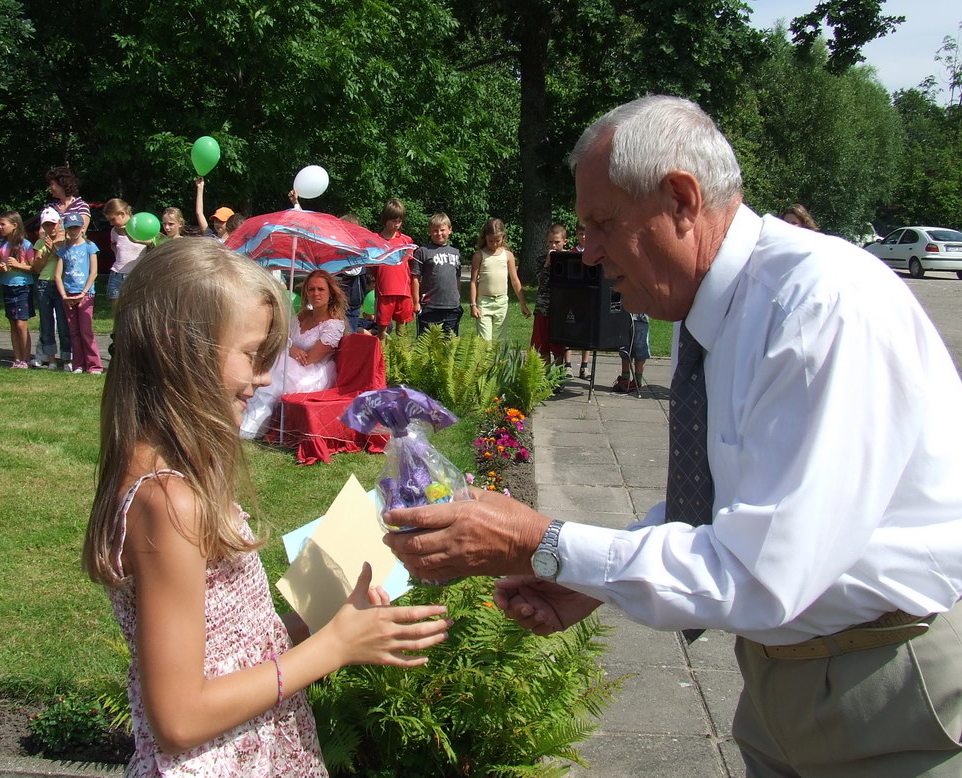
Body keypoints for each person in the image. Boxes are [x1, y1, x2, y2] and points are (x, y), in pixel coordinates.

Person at [383, 95, 962, 776]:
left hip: (889, 695)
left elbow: (762, 572)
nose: (588, 253)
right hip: (787, 677)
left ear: (682, 201)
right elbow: (719, 507)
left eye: (603, 223)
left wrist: (541, 543)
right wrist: (589, 578)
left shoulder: (817, 307)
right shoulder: (716, 308)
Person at [81, 240, 450, 776]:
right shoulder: (169, 503)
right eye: (253, 355)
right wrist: (334, 648)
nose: (262, 377)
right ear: (176, 347)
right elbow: (179, 718)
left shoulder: (174, 483)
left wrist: (320, 620)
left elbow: (229, 648)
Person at [239, 269, 348, 440]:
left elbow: (310, 359)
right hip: (289, 363)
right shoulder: (301, 316)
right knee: (271, 361)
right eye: (311, 289)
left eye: (321, 289)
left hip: (311, 373)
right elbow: (282, 341)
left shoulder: (334, 325)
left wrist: (289, 350)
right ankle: (242, 412)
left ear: (330, 294)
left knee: (278, 367)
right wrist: (290, 349)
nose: (316, 293)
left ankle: (254, 424)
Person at [55, 212, 102, 374]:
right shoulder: (63, 249)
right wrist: (64, 295)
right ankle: (78, 364)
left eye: (76, 228)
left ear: (82, 228)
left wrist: (84, 292)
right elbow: (58, 275)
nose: (73, 231)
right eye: (70, 228)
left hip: (85, 294)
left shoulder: (90, 246)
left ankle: (94, 365)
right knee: (74, 331)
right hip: (69, 293)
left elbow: (94, 272)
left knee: (86, 330)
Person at [469, 218, 530, 341]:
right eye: (490, 241)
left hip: (501, 303)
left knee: (500, 341)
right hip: (484, 303)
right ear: (485, 237)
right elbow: (473, 282)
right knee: (485, 342)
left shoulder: (508, 255)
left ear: (503, 237)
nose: (494, 244)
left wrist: (523, 304)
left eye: (498, 240)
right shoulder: (479, 255)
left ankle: (499, 355)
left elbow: (515, 281)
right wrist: (473, 304)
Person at [0, 211, 35, 368]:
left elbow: (34, 268)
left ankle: (26, 358)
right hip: (7, 286)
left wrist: (18, 265)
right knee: (12, 323)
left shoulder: (26, 245)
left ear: (14, 225)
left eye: (3, 224)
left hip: (23, 286)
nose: (0, 227)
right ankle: (17, 358)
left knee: (21, 324)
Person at [31, 208, 71, 370]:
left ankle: (67, 359)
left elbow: (69, 262)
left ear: (59, 223)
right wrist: (47, 252)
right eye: (47, 225)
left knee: (63, 323)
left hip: (61, 283)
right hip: (44, 283)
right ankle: (51, 359)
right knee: (46, 323)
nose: (51, 228)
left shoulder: (67, 241)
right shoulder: (40, 243)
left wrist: (54, 248)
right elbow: (36, 268)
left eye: (53, 224)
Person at [412, 213, 463, 337]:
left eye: (442, 230)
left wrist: (458, 297)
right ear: (429, 231)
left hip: (452, 306)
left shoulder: (455, 253)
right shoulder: (422, 251)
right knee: (428, 342)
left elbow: (457, 278)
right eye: (435, 230)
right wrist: (416, 302)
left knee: (449, 342)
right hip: (430, 306)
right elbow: (415, 278)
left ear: (450, 230)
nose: (439, 233)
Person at [372, 199, 415, 342]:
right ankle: (382, 354)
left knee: (402, 331)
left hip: (403, 292)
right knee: (382, 330)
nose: (396, 224)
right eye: (393, 221)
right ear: (385, 219)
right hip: (384, 292)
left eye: (399, 221)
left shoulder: (407, 241)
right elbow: (371, 267)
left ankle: (402, 355)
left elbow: (411, 265)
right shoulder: (375, 239)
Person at [529, 223, 571, 369]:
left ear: (565, 241)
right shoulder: (542, 260)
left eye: (557, 242)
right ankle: (545, 374)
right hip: (543, 308)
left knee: (559, 347)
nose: (553, 245)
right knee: (542, 345)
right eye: (550, 242)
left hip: (561, 309)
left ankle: (558, 374)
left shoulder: (570, 259)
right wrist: (547, 263)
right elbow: (542, 283)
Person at [104, 199, 147, 312]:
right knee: (117, 311)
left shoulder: (141, 227)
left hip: (136, 275)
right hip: (117, 274)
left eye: (113, 219)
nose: (111, 223)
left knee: (135, 311)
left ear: (122, 214)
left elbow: (154, 242)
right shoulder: (114, 231)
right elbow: (114, 244)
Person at [573, 222, 593, 378]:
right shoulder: (572, 253)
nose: (584, 237)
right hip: (574, 296)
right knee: (570, 330)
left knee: (588, 332)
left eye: (587, 233)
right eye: (581, 234)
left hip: (590, 297)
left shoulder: (595, 252)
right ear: (576, 235)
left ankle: (584, 366)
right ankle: (567, 365)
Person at [44, 166, 91, 230]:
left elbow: (80, 231)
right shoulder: (50, 207)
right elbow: (43, 231)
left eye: (51, 184)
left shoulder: (81, 206)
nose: (49, 188)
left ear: (61, 184)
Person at [613, 313, 650, 393]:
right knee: (624, 348)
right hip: (624, 316)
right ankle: (625, 379)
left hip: (641, 318)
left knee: (640, 349)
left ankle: (637, 381)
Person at [194, 177, 233, 242]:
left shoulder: (235, 242)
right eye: (216, 221)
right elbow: (199, 213)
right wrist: (200, 188)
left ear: (230, 223)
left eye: (221, 221)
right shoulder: (211, 238)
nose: (217, 224)